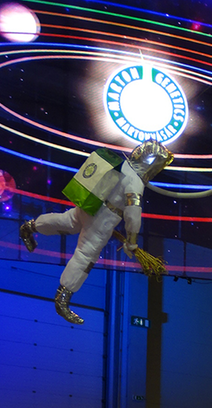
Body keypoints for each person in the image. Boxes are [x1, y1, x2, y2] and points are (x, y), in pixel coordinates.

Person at [20, 139, 173, 324]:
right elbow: (133, 216)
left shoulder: (121, 165)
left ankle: (29, 227)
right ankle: (62, 299)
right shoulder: (135, 184)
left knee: (66, 221)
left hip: (91, 206)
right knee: (86, 255)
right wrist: (131, 242)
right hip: (103, 221)